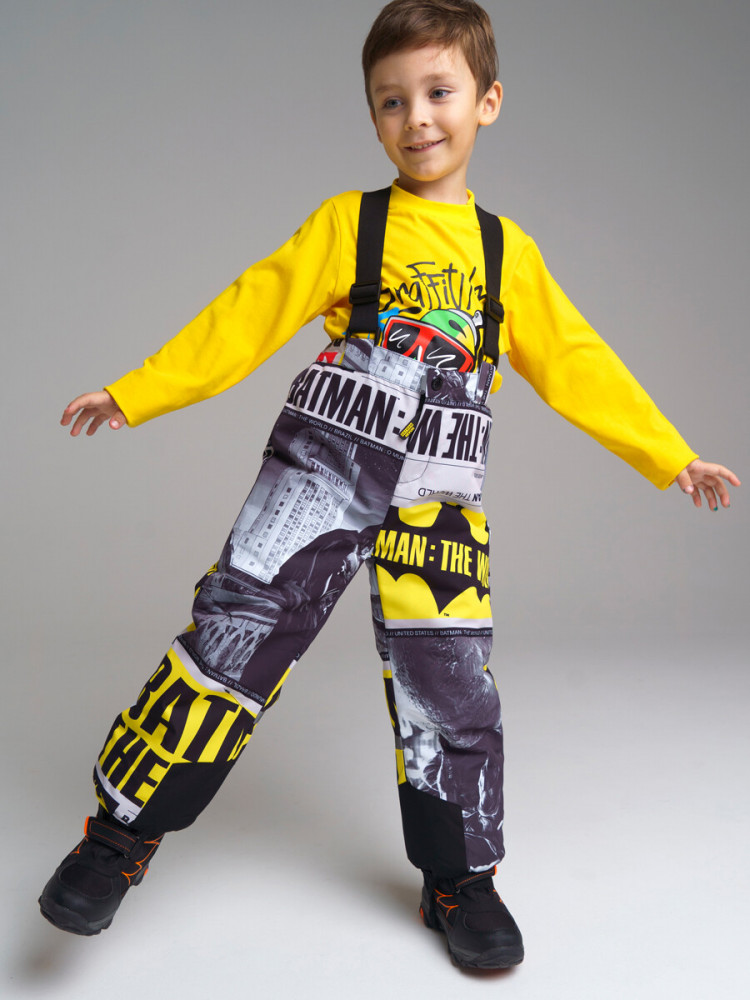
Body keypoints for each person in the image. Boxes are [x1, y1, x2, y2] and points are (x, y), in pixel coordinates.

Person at [38, 0, 739, 971]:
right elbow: (247, 312)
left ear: (488, 101)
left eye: (439, 92)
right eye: (392, 100)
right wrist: (137, 391)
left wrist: (669, 453)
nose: (418, 118)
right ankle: (118, 836)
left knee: (449, 678)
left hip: (439, 487)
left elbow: (577, 361)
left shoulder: (507, 253)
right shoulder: (348, 224)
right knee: (234, 637)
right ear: (373, 116)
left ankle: (459, 878)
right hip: (325, 462)